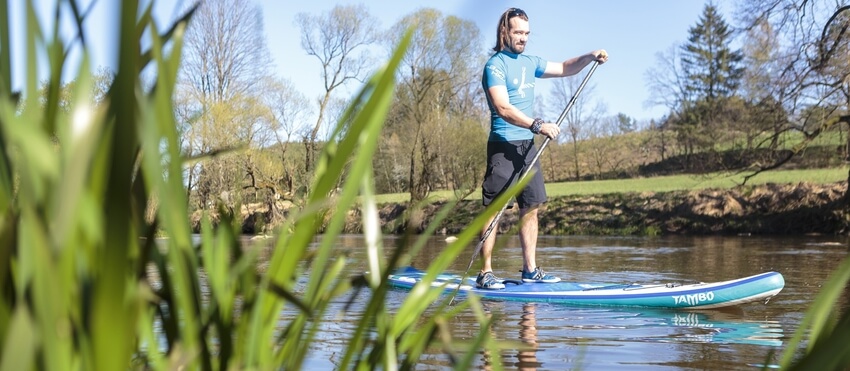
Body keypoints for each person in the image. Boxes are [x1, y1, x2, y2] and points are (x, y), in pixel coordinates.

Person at [477, 7, 608, 289]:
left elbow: (563, 67)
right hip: (503, 145)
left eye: (527, 33)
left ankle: (530, 269)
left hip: (528, 147)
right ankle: (485, 272)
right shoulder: (494, 66)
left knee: (532, 206)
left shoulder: (530, 62)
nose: (523, 38)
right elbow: (502, 108)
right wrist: (537, 125)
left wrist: (589, 57)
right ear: (505, 32)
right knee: (494, 209)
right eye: (518, 32)